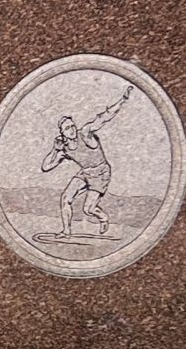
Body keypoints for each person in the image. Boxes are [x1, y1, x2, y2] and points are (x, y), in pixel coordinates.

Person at [40, 86, 130, 237]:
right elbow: (46, 166)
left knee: (88, 209)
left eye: (72, 126)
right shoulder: (65, 148)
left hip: (101, 173)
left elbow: (104, 117)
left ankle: (103, 217)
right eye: (67, 128)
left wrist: (122, 100)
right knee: (65, 198)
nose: (72, 129)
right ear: (62, 133)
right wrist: (55, 150)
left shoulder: (86, 133)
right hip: (85, 173)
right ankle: (66, 232)